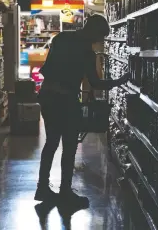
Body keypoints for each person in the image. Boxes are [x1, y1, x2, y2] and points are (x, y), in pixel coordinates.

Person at [35, 14, 130, 205]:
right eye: (99, 37)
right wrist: (120, 81)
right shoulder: (87, 52)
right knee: (69, 147)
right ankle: (65, 193)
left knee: (51, 142)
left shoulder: (60, 38)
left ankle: (42, 188)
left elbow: (47, 69)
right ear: (94, 31)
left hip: (48, 96)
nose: (99, 41)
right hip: (67, 101)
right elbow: (95, 83)